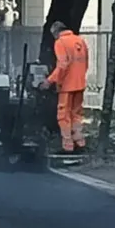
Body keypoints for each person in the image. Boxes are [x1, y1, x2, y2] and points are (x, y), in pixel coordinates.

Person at [39, 21, 89, 154]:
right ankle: (80, 142)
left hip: (67, 85)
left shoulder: (60, 42)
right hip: (80, 84)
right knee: (76, 115)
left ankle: (67, 146)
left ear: (56, 32)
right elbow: (86, 63)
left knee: (63, 116)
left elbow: (62, 65)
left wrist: (49, 81)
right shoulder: (80, 41)